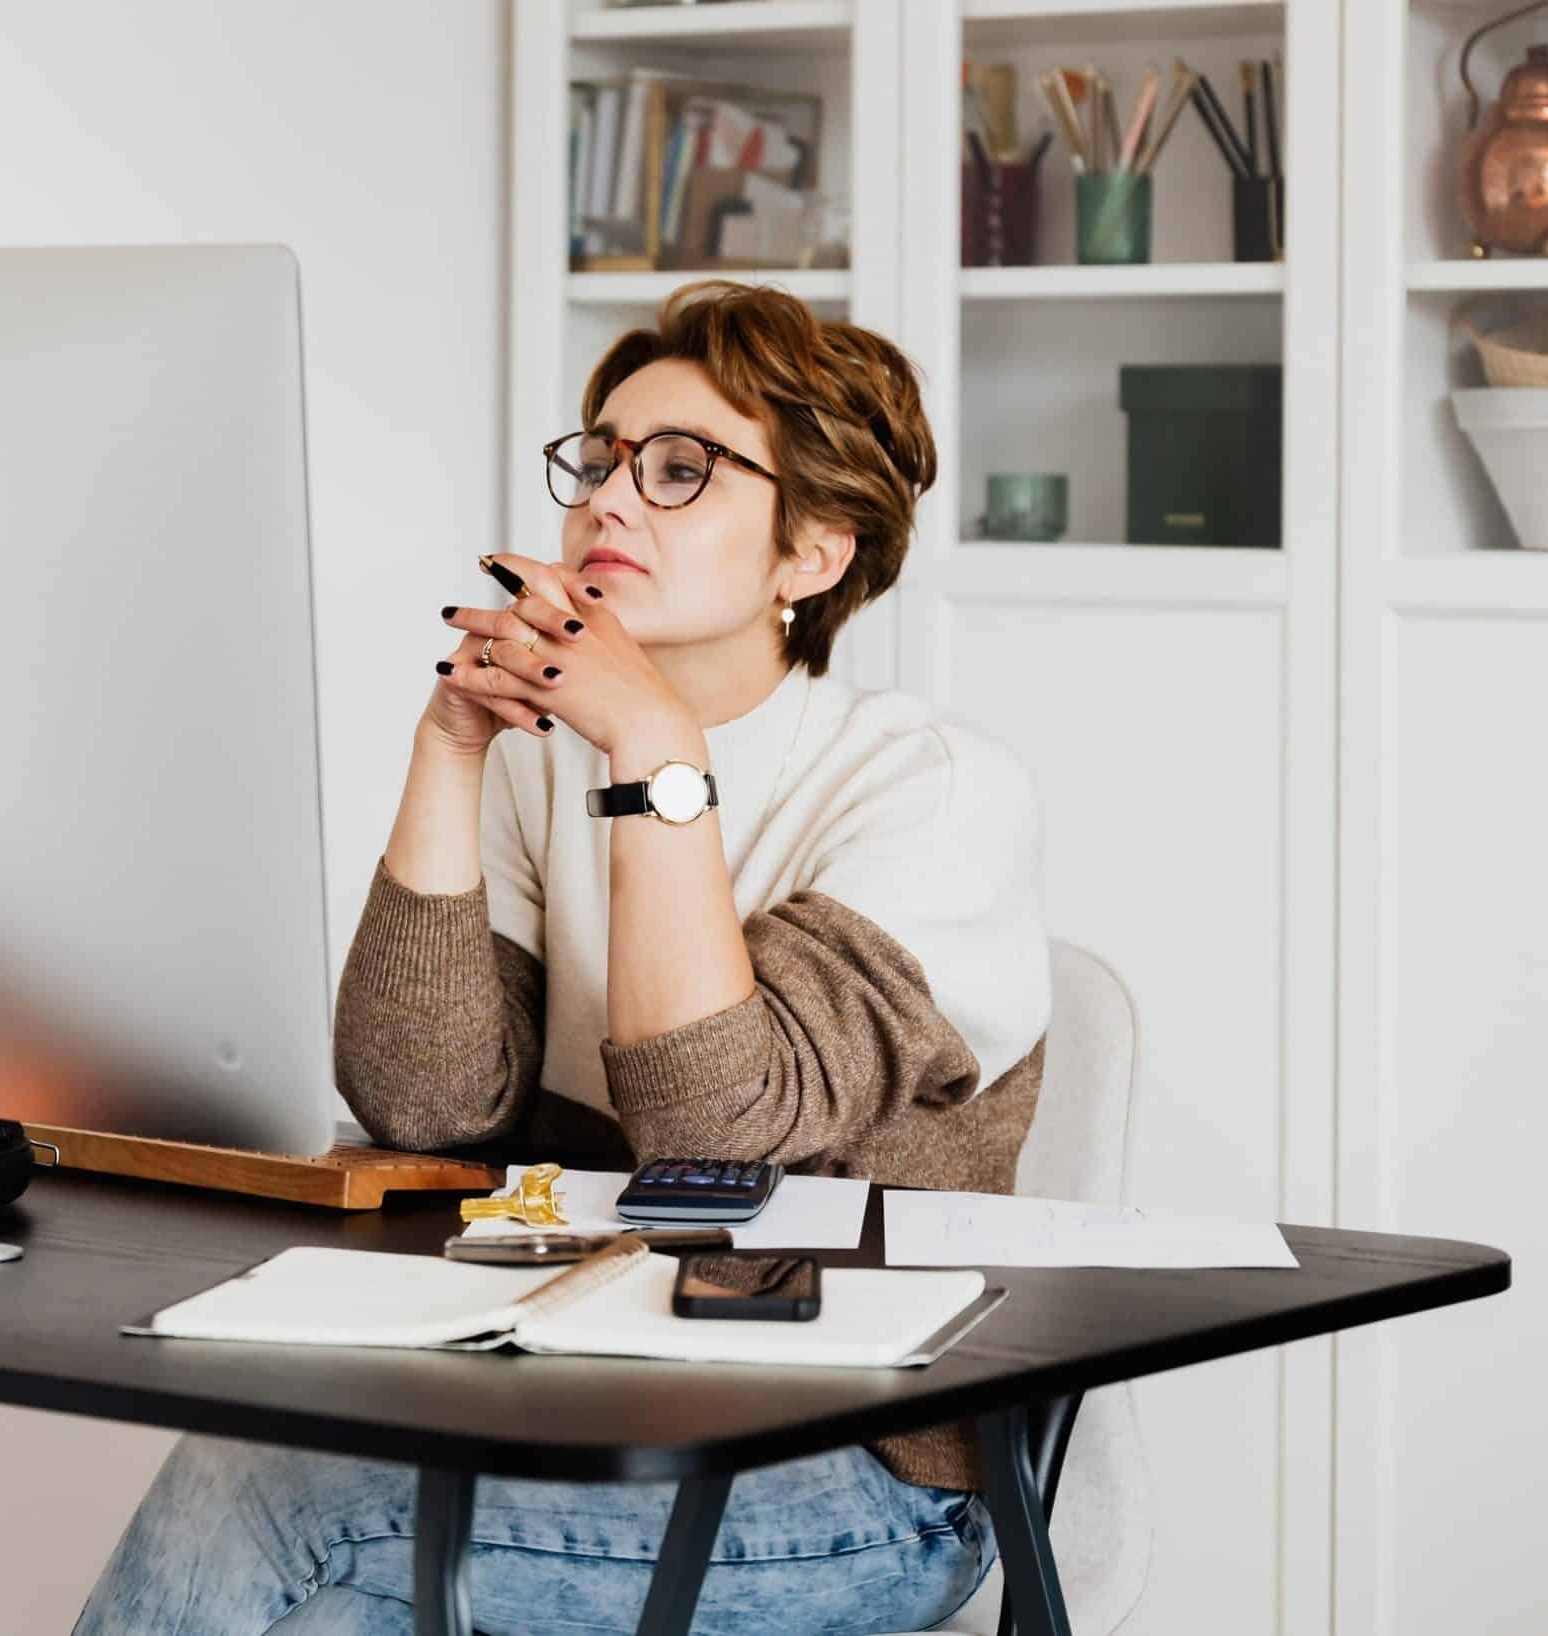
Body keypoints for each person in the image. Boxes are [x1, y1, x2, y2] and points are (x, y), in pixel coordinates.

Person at [73, 281, 1050, 1635]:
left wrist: (656, 759)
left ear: (812, 555)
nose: (609, 500)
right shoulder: (550, 771)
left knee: (270, 1489)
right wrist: (452, 747)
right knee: (333, 1611)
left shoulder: (935, 793)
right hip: (582, 1393)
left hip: (861, 1474)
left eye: (680, 470)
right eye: (597, 459)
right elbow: (424, 1103)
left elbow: (716, 1133)